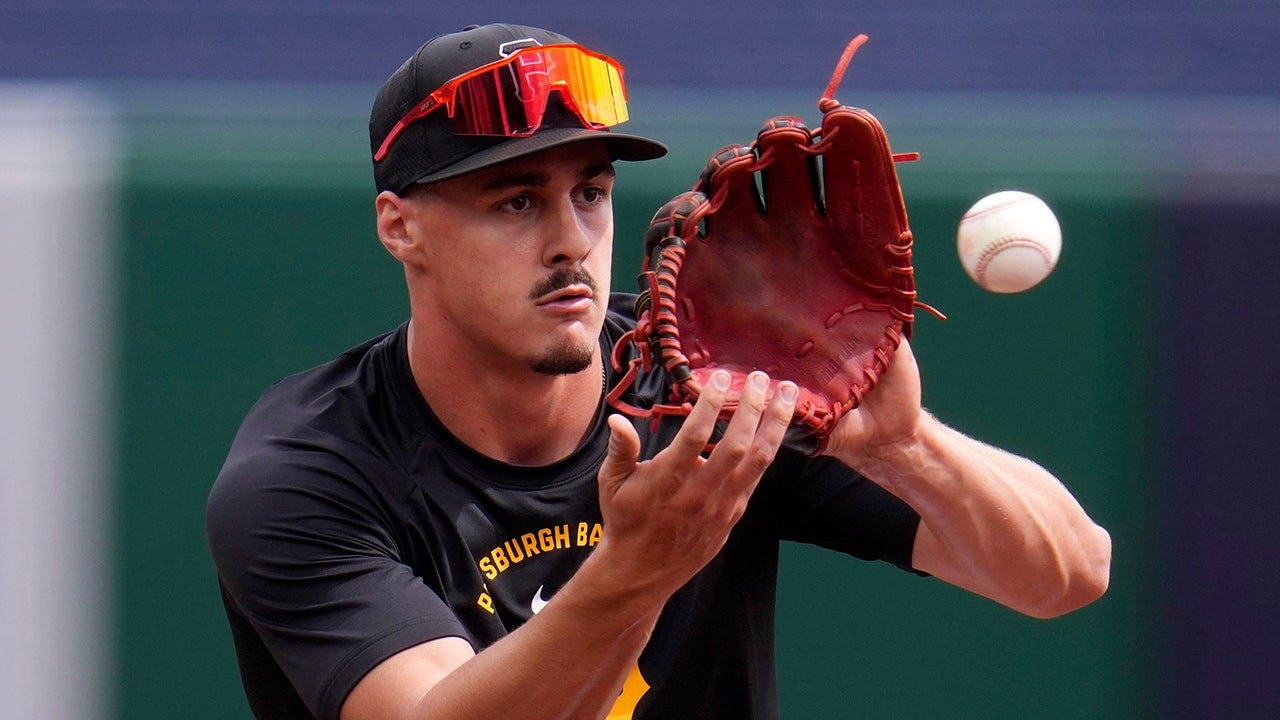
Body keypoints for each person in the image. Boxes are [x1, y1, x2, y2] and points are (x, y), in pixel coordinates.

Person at [206, 22, 1111, 720]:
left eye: (590, 193)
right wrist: (637, 568)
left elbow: (1068, 574)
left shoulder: (704, 384)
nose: (570, 240)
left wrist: (905, 446)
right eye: (516, 201)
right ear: (400, 227)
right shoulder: (306, 474)